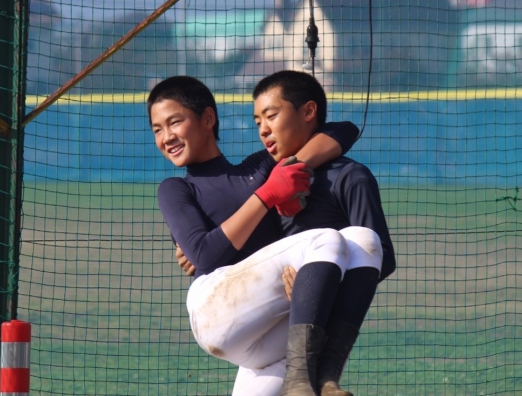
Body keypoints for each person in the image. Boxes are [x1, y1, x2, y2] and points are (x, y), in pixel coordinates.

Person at [148, 75, 378, 396]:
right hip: (215, 307)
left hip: (265, 325)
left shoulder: (259, 167)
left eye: (174, 122)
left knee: (365, 240)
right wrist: (268, 194)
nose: (166, 136)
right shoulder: (176, 188)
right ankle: (299, 383)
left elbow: (343, 130)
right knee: (326, 239)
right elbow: (203, 254)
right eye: (157, 129)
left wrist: (292, 168)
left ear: (208, 119)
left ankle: (324, 379)